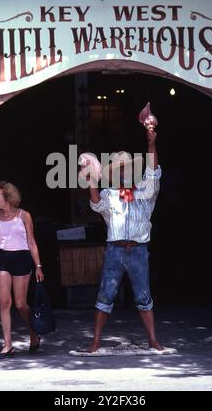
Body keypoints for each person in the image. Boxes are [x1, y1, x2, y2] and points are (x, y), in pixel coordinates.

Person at [79, 115, 174, 354]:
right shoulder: (110, 194)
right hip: (115, 250)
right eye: (120, 170)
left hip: (138, 250)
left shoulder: (146, 191)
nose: (124, 174)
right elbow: (96, 204)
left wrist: (150, 143)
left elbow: (154, 172)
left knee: (144, 296)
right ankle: (95, 343)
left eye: (127, 169)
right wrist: (90, 179)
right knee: (105, 296)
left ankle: (153, 340)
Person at [0, 181, 44, 358]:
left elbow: (31, 242)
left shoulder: (24, 216)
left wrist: (38, 265)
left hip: (22, 259)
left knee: (21, 304)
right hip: (2, 259)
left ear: (7, 198)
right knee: (4, 303)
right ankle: (7, 345)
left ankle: (34, 331)